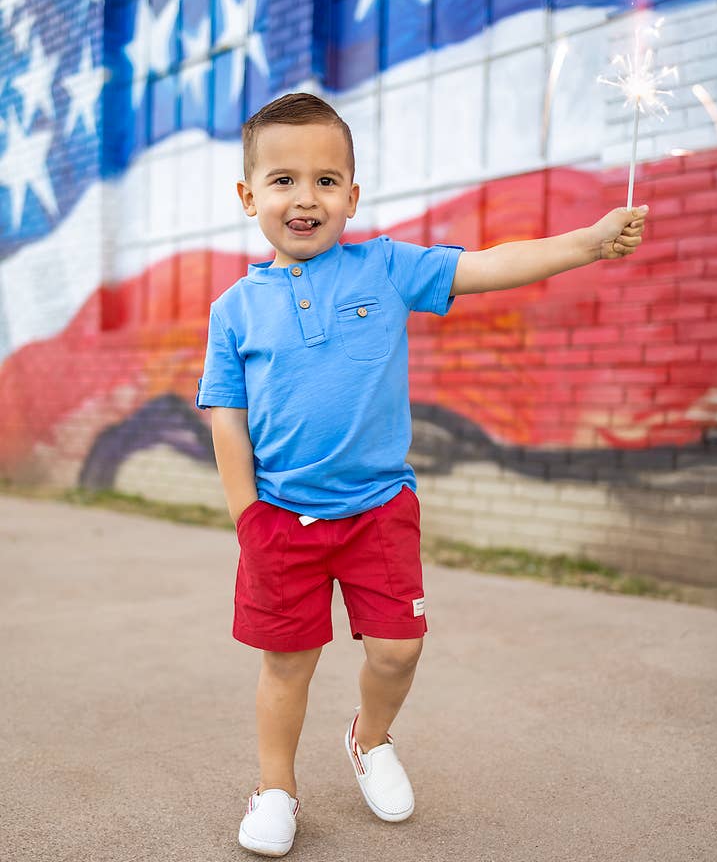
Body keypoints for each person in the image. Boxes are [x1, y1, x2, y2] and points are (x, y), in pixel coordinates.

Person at [196, 92, 647, 856]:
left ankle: (371, 740)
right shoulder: (234, 310)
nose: (305, 197)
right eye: (282, 180)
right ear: (248, 197)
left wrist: (589, 242)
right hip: (283, 516)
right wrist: (249, 518)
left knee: (398, 650)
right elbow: (226, 418)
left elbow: (492, 264)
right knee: (287, 664)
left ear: (353, 196)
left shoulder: (386, 267)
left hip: (378, 508)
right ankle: (276, 788)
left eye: (327, 180)